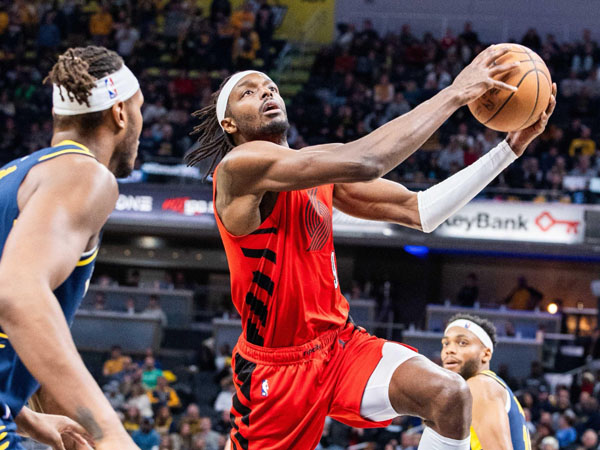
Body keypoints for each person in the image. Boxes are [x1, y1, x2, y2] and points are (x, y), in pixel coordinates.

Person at [186, 45, 556, 450]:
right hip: (277, 370)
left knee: (449, 394)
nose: (267, 93)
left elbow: (421, 211)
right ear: (230, 123)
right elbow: (367, 161)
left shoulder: (316, 166)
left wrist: (508, 150)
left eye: (271, 87)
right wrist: (454, 93)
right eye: (249, 92)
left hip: (340, 346)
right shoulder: (239, 166)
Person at [0, 45, 143, 449]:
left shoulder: (13, 176)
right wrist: (109, 433)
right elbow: (17, 294)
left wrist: (25, 416)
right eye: (139, 108)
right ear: (120, 113)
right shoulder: (86, 176)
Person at [441, 314, 531, 449]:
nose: (449, 350)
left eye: (462, 343)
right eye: (446, 343)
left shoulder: (480, 385)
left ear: (486, 354)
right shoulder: (491, 386)